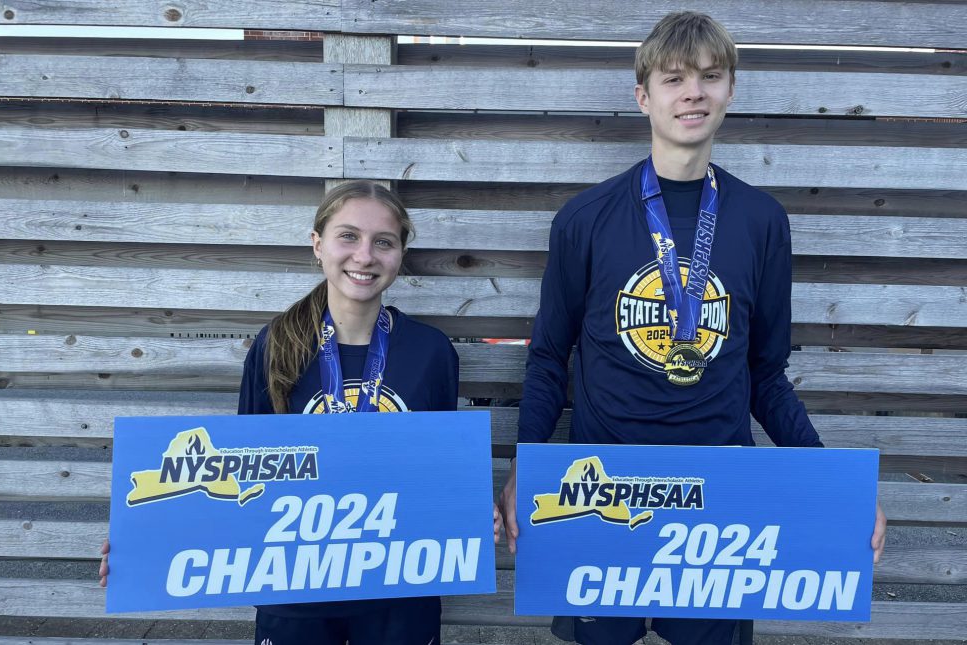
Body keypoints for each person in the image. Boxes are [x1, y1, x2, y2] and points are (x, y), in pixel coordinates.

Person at [495, 12, 886, 645]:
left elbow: (767, 373)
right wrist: (527, 465)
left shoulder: (761, 221)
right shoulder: (584, 219)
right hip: (603, 489)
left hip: (718, 491)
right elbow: (546, 358)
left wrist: (828, 483)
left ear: (731, 88)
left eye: (710, 76)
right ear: (643, 96)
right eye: (674, 78)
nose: (693, 92)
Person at [102, 180, 460, 645]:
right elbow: (234, 468)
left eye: (383, 242)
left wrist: (469, 512)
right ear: (318, 244)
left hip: (399, 585)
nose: (365, 255)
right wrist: (148, 537)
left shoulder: (431, 351)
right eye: (348, 235)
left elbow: (441, 469)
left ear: (400, 253)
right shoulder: (277, 344)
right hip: (293, 584)